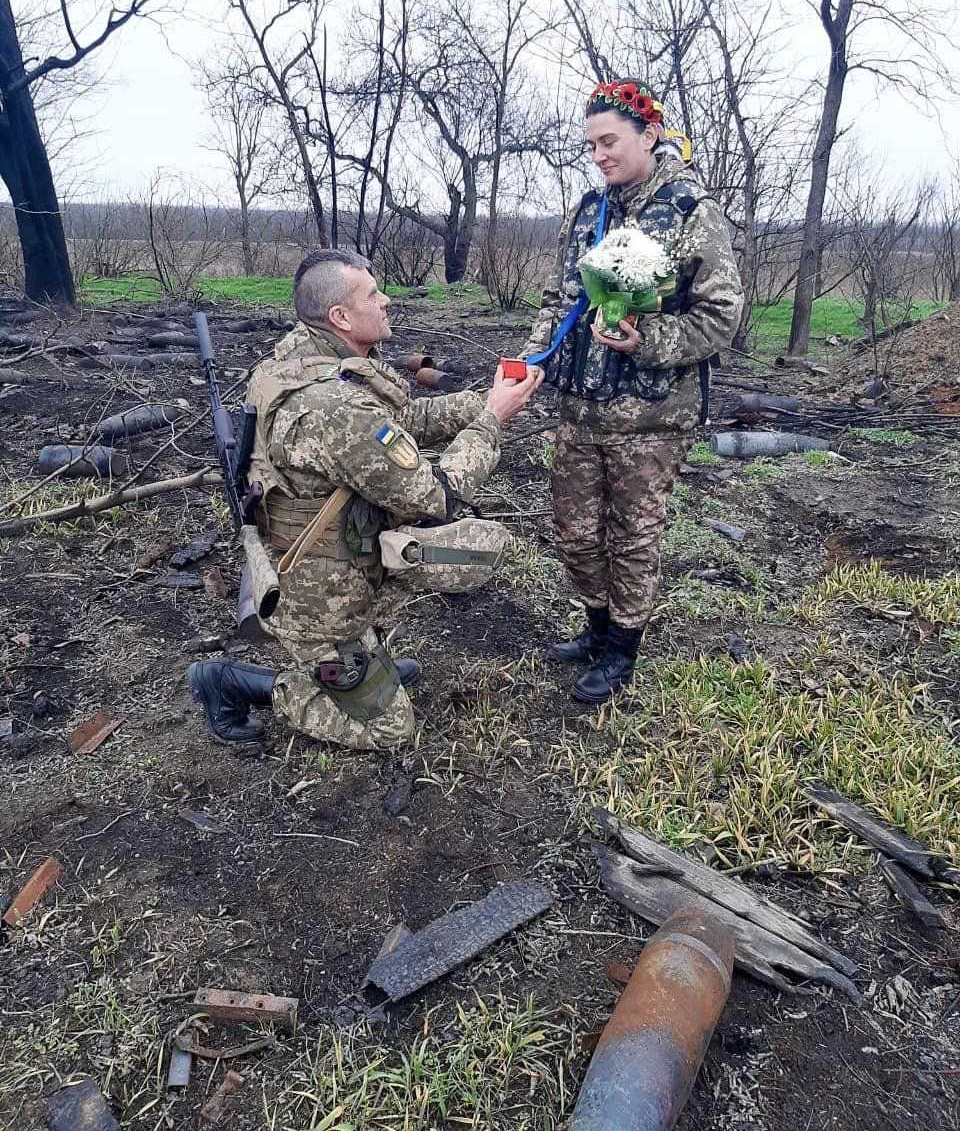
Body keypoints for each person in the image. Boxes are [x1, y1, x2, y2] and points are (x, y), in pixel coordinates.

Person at [188, 248, 540, 748]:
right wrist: (491, 423)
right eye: (373, 295)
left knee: (452, 557)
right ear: (340, 316)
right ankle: (235, 683)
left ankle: (364, 658)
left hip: (338, 557)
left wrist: (483, 400)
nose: (387, 300)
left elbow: (397, 425)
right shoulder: (334, 406)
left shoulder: (309, 359)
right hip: (320, 592)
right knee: (391, 730)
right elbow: (435, 498)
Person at [523, 78, 743, 705]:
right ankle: (596, 628)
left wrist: (644, 341)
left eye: (609, 141)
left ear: (649, 135)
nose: (599, 155)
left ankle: (623, 648)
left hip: (649, 415)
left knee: (633, 536)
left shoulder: (689, 212)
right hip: (577, 407)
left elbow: (721, 314)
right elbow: (558, 300)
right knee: (575, 532)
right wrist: (533, 358)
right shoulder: (588, 212)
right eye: (591, 144)